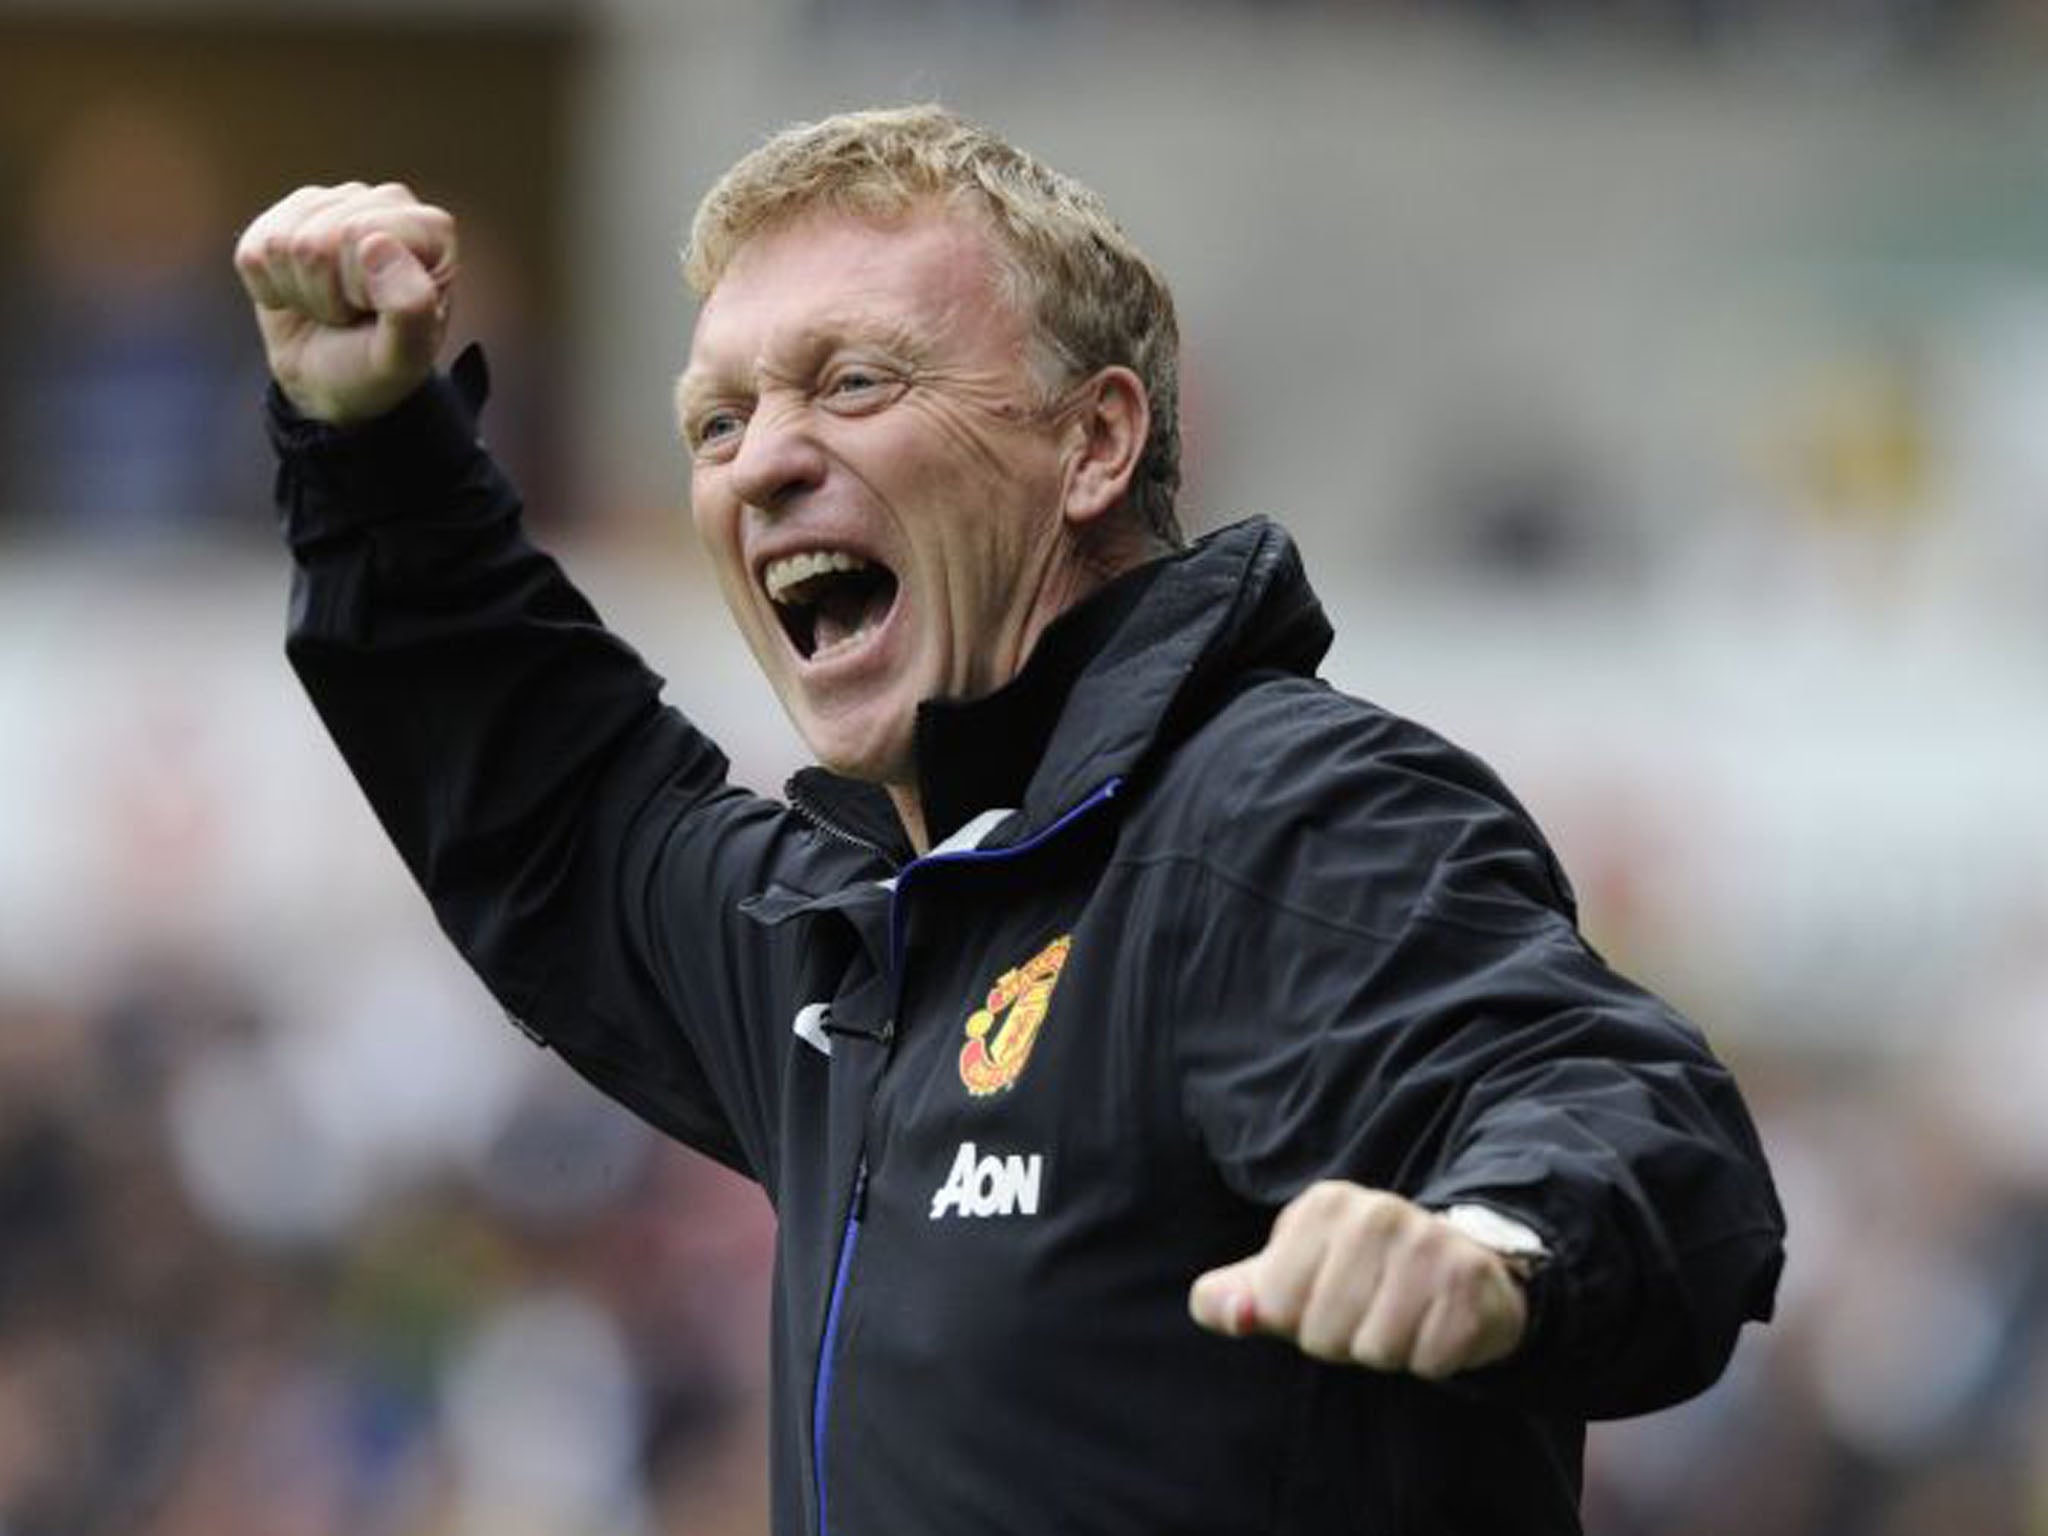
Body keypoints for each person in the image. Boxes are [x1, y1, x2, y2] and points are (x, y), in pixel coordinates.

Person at [234, 105, 1784, 1535]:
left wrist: (1500, 1246)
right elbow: (551, 798)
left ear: (1096, 444)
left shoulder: (1276, 817)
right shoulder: (859, 942)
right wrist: (371, 443)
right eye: (716, 423)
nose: (764, 460)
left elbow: (1611, 1098)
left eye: (854, 382)